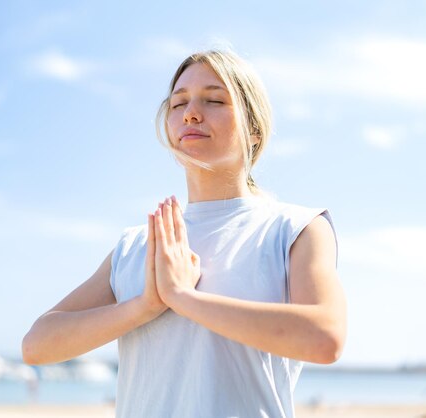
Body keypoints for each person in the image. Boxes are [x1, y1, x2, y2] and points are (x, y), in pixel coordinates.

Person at [22, 49, 347, 417]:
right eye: (178, 104)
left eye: (214, 99)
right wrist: (144, 306)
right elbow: (37, 345)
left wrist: (183, 298)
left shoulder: (295, 229)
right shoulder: (138, 244)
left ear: (254, 129)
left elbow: (325, 338)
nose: (191, 113)